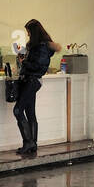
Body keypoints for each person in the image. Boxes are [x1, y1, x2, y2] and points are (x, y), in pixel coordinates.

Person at [14, 19, 61, 156]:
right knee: (30, 113)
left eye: (28, 32)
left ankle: (28, 142)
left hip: (32, 81)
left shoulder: (40, 47)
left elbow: (38, 67)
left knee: (18, 110)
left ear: (34, 32)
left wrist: (24, 62)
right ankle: (32, 144)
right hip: (32, 81)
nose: (27, 35)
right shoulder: (38, 46)